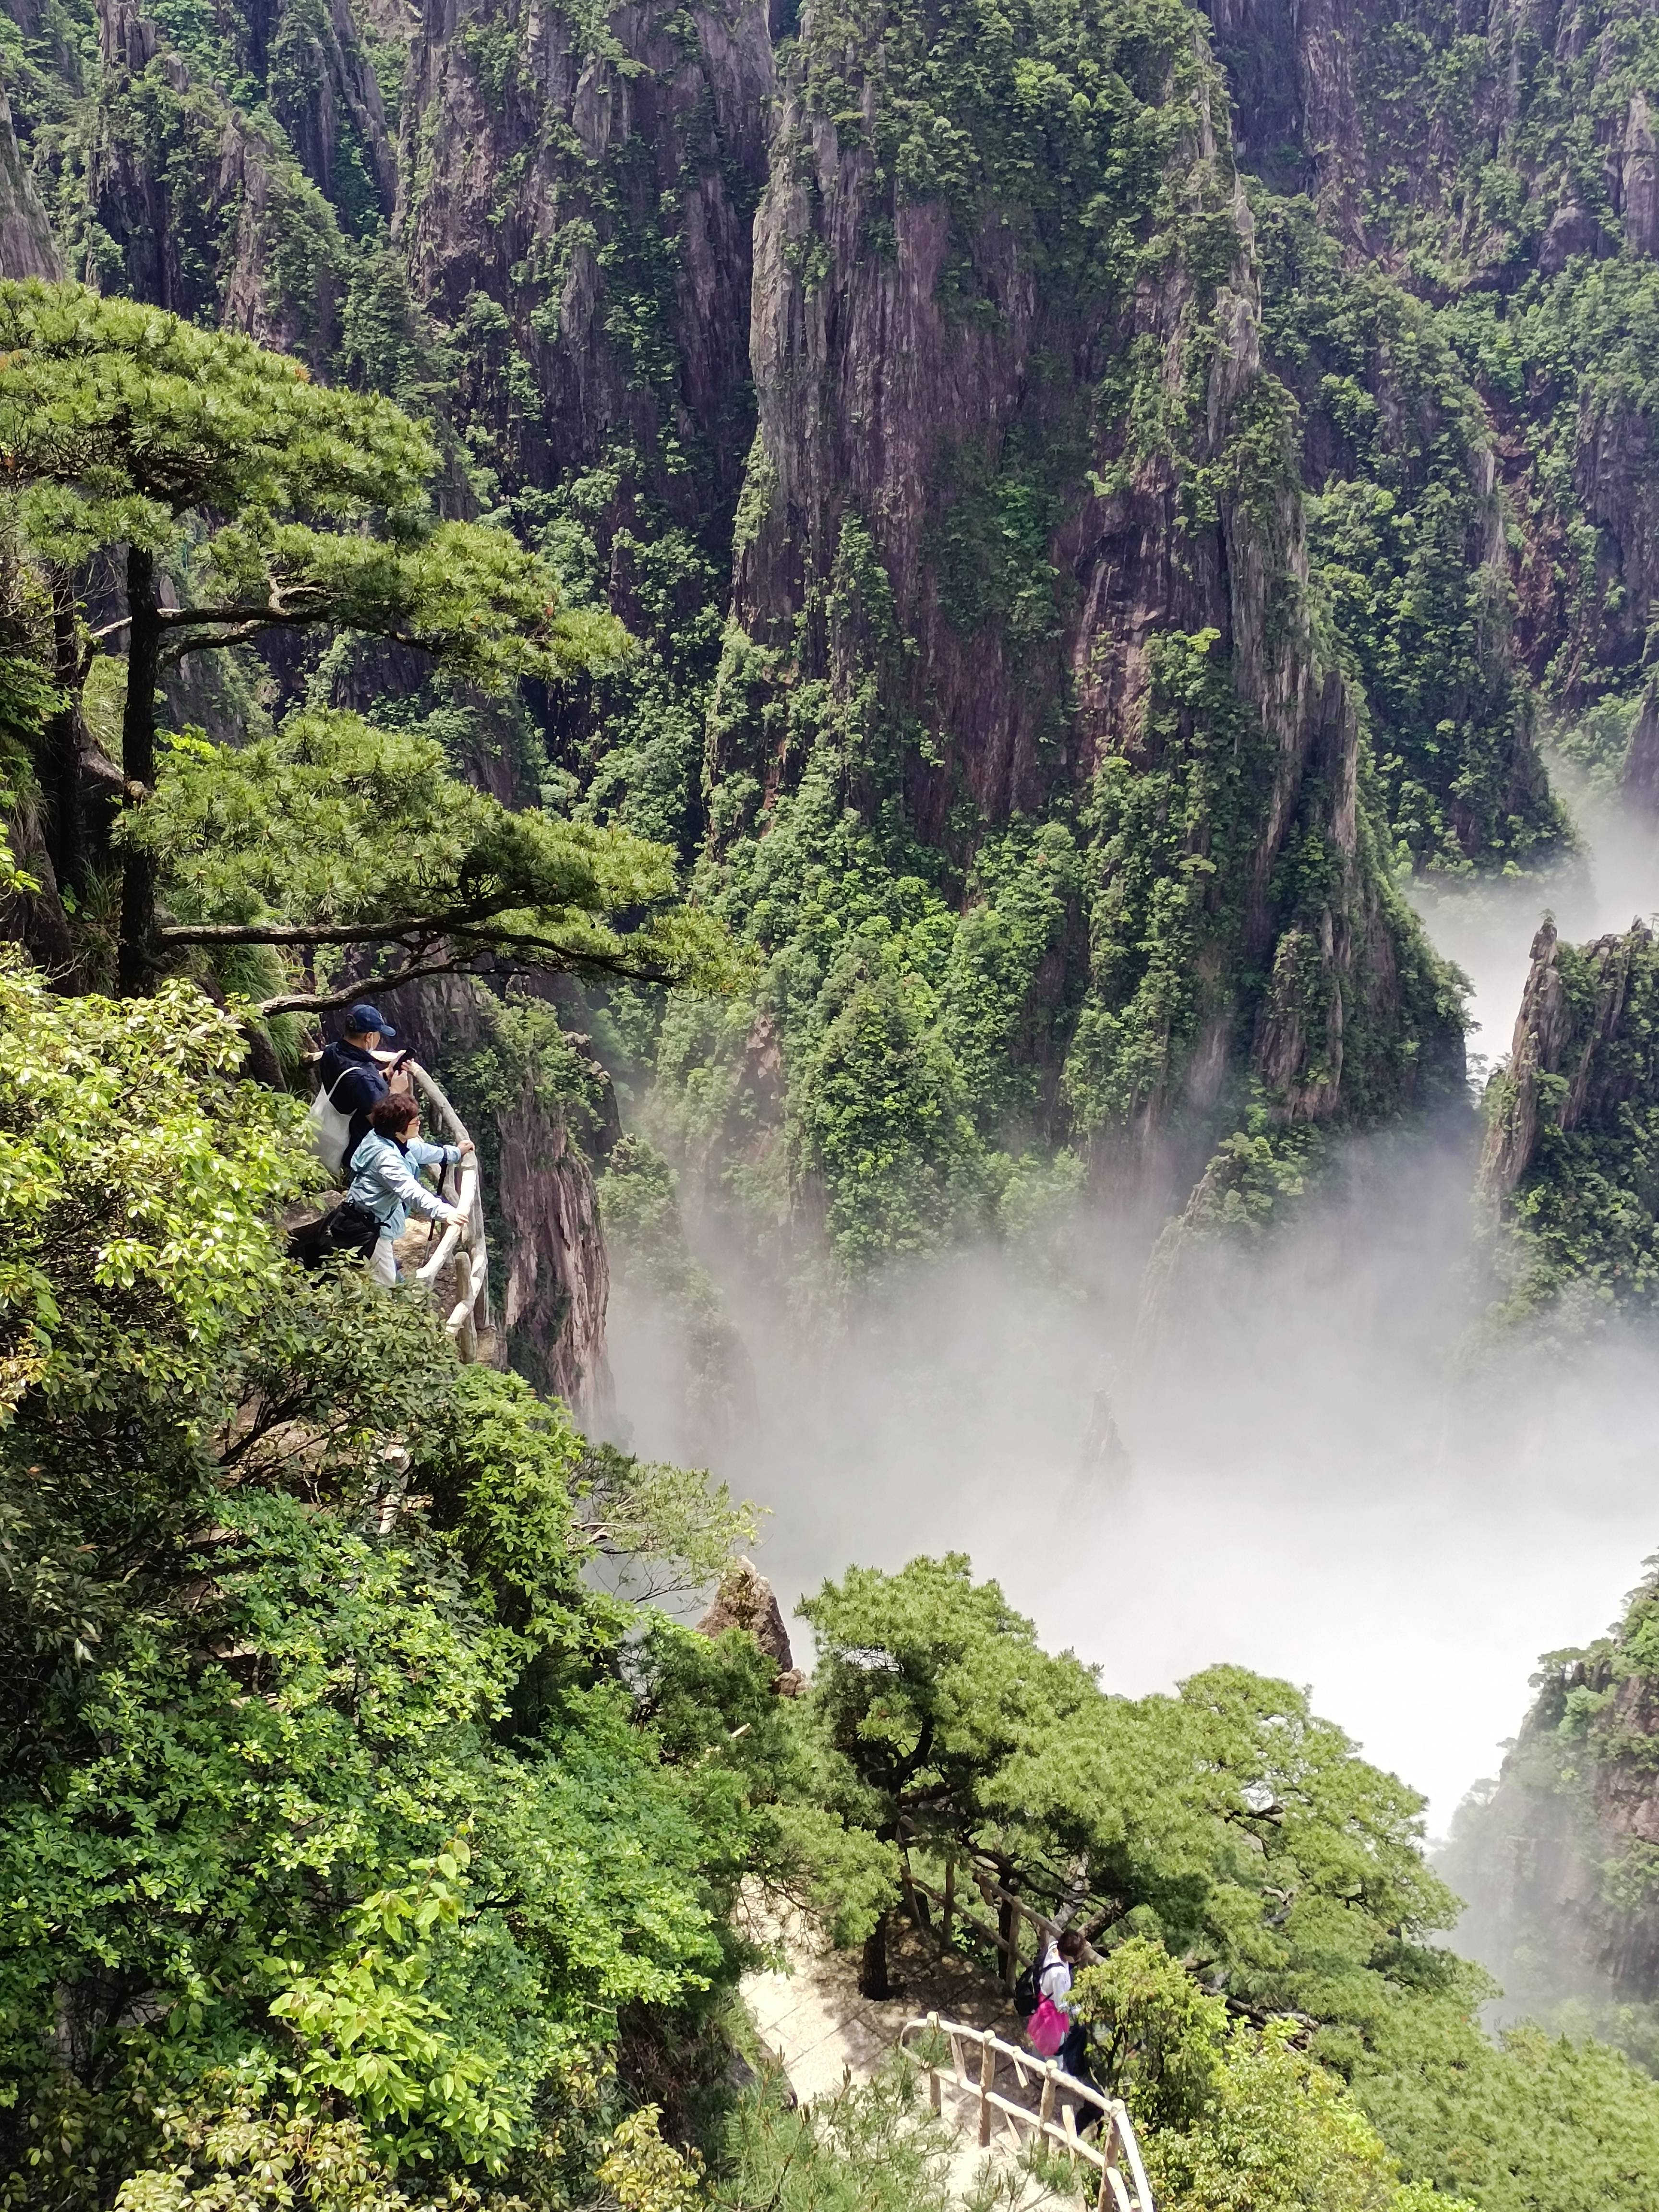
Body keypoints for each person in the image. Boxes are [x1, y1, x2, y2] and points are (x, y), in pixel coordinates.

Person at [346, 1093, 473, 1286]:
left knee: (382, 1268)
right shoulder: (386, 1158)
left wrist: (453, 1153)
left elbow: (417, 1150)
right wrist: (445, 1213)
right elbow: (410, 1191)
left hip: (372, 1217)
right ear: (399, 1129)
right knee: (386, 1286)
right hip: (370, 1226)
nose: (419, 1122)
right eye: (414, 1121)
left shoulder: (384, 1138)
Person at [317, 1003, 407, 1174]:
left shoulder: (332, 1051)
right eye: (379, 1034)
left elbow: (351, 1090)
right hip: (355, 1152)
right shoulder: (360, 1077)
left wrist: (386, 1074)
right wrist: (396, 1090)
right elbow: (383, 1123)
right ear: (369, 1037)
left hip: (325, 1125)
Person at [1038, 1927, 1097, 2099]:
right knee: (1057, 2046)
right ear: (1070, 1956)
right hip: (1052, 2011)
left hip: (1044, 2002)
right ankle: (1052, 2078)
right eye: (1077, 1956)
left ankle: (1041, 2070)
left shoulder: (1055, 1947)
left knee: (1044, 2042)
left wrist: (1083, 1946)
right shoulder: (1059, 1975)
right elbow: (1061, 2004)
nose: (1078, 1959)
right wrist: (1080, 2010)